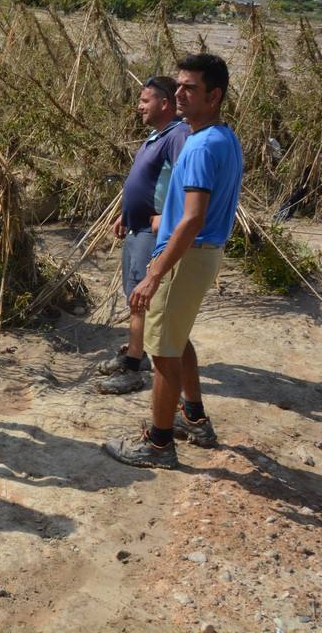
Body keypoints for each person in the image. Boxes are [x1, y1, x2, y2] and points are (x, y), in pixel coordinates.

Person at [104, 53, 242, 469]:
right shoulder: (223, 136)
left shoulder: (200, 146)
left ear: (214, 95)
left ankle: (159, 444)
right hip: (199, 254)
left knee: (162, 351)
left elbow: (193, 217)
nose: (179, 93)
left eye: (190, 88)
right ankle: (194, 417)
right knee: (177, 339)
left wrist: (155, 272)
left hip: (186, 255)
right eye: (178, 85)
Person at [96, 76, 190, 395]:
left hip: (153, 234)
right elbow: (149, 180)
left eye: (145, 100)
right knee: (134, 295)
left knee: (140, 296)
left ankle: (134, 367)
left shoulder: (177, 134)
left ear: (165, 103)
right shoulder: (156, 134)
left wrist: (167, 216)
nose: (139, 105)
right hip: (137, 228)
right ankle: (136, 352)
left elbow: (186, 179)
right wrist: (126, 213)